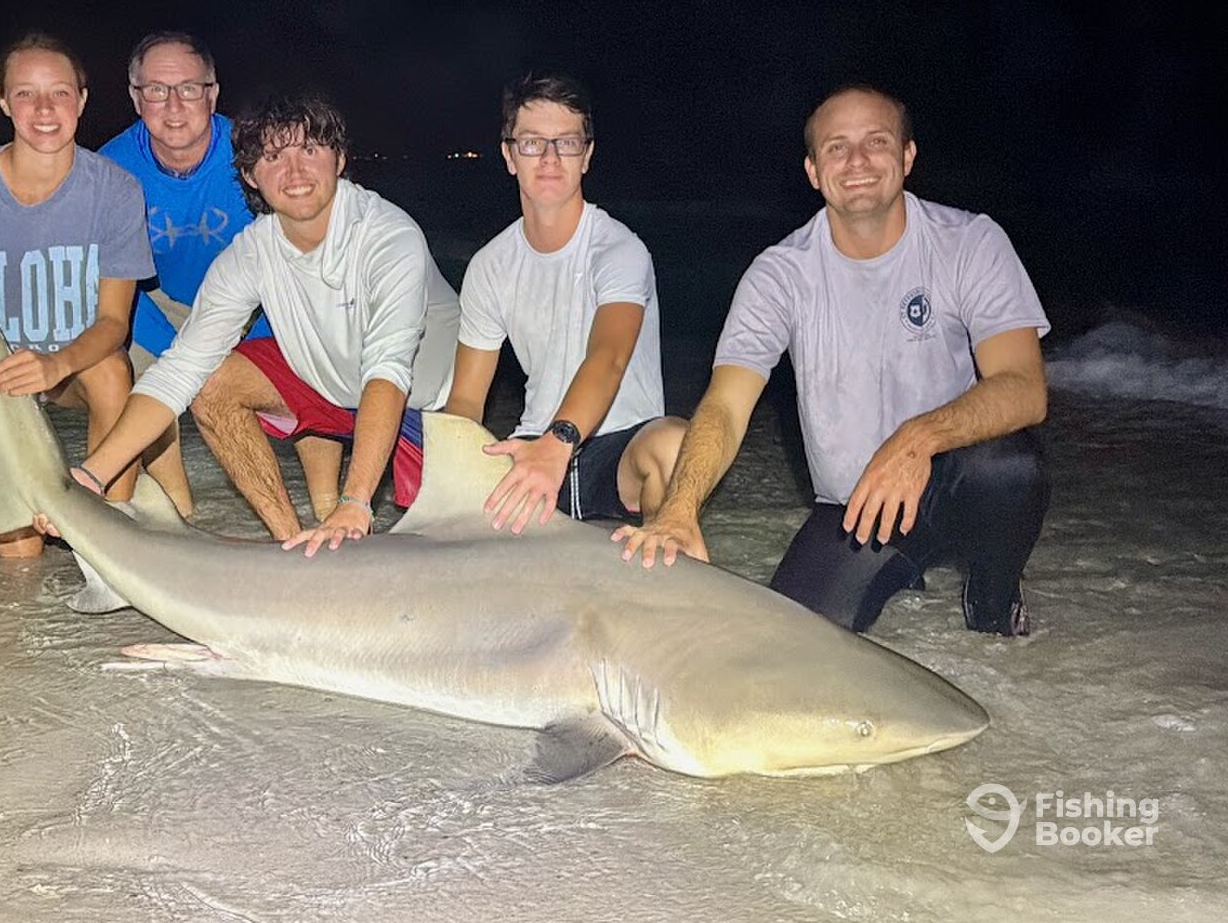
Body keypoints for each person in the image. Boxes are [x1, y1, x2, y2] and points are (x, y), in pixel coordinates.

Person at [615, 86, 1050, 636]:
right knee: (793, 642)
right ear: (814, 171)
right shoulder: (779, 275)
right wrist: (679, 509)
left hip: (953, 477)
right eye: (837, 148)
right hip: (856, 507)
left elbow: (1023, 386)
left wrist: (917, 439)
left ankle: (993, 597)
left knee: (1010, 468)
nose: (857, 161)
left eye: (877, 142)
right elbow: (725, 405)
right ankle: (893, 570)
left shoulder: (970, 242)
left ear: (908, 156)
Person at [52, 95, 459, 556]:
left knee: (458, 554)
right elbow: (179, 370)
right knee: (212, 383)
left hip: (425, 411)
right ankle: (290, 546)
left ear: (340, 159)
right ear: (249, 175)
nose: (295, 171)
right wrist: (92, 476)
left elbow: (389, 369)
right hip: (336, 393)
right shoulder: (251, 253)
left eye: (310, 150)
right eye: (272, 156)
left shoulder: (388, 237)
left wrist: (355, 502)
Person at [0, 32, 155, 558]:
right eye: (26, 93)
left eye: (60, 93)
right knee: (19, 560)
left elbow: (114, 324)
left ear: (81, 100)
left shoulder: (116, 191)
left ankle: (111, 539)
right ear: (2, 100)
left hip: (74, 367)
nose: (45, 109)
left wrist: (53, 365)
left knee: (112, 370)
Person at [445, 72, 686, 532]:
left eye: (567, 143)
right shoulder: (490, 265)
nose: (550, 158)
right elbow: (466, 400)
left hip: (619, 449)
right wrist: (451, 474)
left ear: (587, 155)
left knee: (674, 444)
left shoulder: (619, 250)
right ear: (509, 155)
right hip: (532, 443)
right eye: (533, 143)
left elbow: (609, 356)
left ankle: (662, 563)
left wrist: (560, 441)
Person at [98, 31, 270, 518]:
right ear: (136, 98)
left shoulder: (256, 154)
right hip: (153, 303)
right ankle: (179, 512)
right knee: (128, 372)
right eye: (157, 90)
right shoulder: (110, 171)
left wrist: (248, 342)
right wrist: (178, 352)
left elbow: (292, 264)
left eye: (190, 88)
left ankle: (323, 506)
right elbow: (112, 285)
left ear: (212, 94)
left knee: (308, 361)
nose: (174, 106)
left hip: (251, 306)